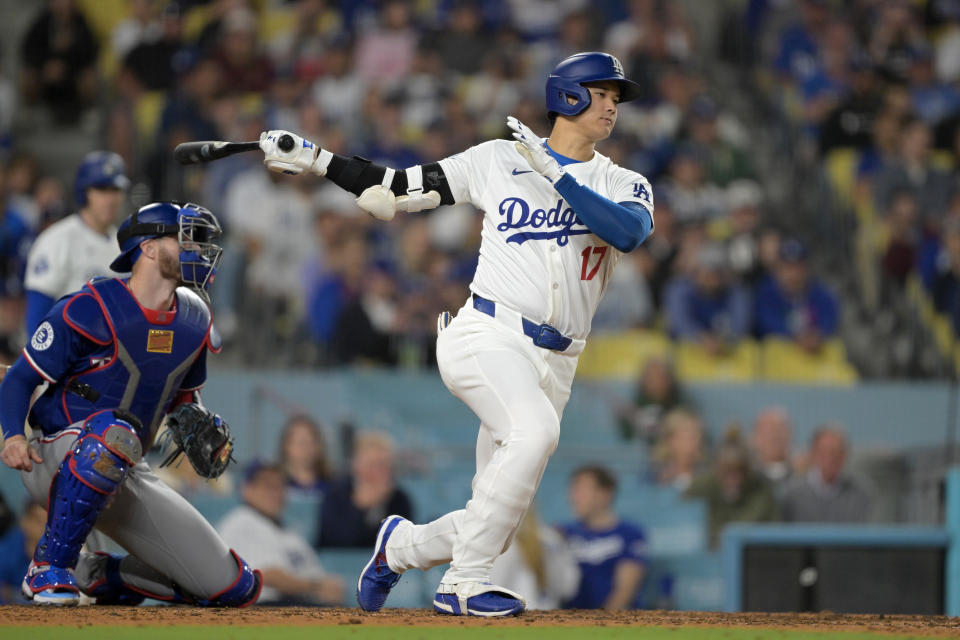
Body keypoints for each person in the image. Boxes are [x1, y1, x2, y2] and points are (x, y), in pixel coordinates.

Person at [259, 51, 654, 617]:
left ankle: (398, 548)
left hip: (559, 359)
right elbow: (397, 186)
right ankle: (462, 584)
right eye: (603, 91)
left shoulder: (623, 180)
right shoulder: (498, 159)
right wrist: (318, 159)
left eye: (618, 96)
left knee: (496, 513)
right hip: (487, 334)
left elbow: (628, 233)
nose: (614, 103)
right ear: (568, 95)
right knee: (535, 433)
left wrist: (556, 175)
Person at [0, 201, 262, 607]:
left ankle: (101, 573)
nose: (199, 251)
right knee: (114, 436)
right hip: (53, 455)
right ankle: (48, 566)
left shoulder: (195, 319)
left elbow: (183, 398)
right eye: (186, 238)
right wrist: (14, 436)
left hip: (128, 466)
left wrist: (196, 420)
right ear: (149, 248)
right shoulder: (89, 306)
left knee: (232, 587)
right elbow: (19, 378)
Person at [23, 151, 130, 333]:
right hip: (63, 350)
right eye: (102, 190)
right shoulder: (57, 239)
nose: (111, 198)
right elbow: (37, 315)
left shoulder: (124, 247)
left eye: (116, 190)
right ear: (84, 193)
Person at [218, 462, 343, 606]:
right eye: (267, 486)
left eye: (280, 486)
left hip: (298, 604)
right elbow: (267, 575)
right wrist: (316, 586)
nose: (275, 493)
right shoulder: (242, 521)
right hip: (264, 608)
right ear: (247, 490)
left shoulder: (289, 531)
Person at [557, 466, 647, 610]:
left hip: (615, 623)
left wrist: (599, 625)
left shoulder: (629, 534)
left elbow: (624, 592)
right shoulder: (562, 533)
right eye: (573, 491)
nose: (573, 498)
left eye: (581, 491)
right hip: (567, 620)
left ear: (605, 494)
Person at [316, 430, 413, 549]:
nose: (379, 471)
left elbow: (401, 546)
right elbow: (336, 542)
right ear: (357, 467)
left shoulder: (399, 500)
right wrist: (359, 509)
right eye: (372, 464)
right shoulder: (335, 495)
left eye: (384, 465)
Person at [686, 428, 778, 548]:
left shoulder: (762, 489)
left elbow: (774, 530)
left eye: (739, 471)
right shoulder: (699, 490)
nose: (734, 478)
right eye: (727, 472)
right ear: (717, 470)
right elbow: (687, 532)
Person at [489, 509, 580, 610]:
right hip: (550, 617)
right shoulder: (552, 538)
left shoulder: (504, 545)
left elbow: (491, 595)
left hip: (516, 619)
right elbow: (568, 589)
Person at [780, 424, 873, 523]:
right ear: (812, 454)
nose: (830, 459)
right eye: (824, 452)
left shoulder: (860, 494)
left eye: (836, 453)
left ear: (844, 456)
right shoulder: (792, 494)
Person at [0, 499, 46, 604]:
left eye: (50, 523)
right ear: (25, 521)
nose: (45, 529)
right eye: (39, 521)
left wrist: (12, 595)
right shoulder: (6, 549)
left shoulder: (64, 553)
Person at [278, 414, 334, 498]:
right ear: (286, 446)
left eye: (311, 442)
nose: (306, 448)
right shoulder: (277, 487)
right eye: (301, 442)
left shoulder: (332, 488)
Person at [750, 407, 794, 495]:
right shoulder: (747, 481)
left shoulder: (803, 479)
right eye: (769, 430)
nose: (775, 436)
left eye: (780, 430)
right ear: (755, 438)